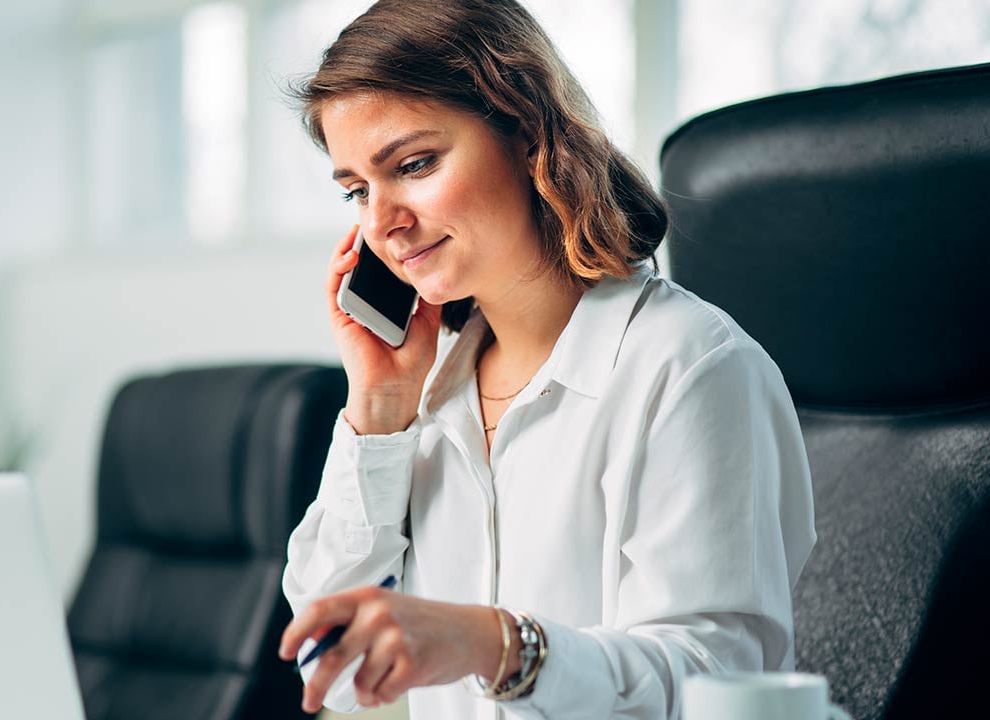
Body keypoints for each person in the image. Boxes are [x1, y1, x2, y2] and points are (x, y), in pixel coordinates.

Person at [276, 1, 816, 718]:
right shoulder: (428, 391)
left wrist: (495, 644)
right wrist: (379, 414)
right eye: (356, 190)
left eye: (413, 164)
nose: (380, 223)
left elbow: (716, 686)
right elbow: (329, 670)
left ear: (527, 134)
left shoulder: (690, 367)